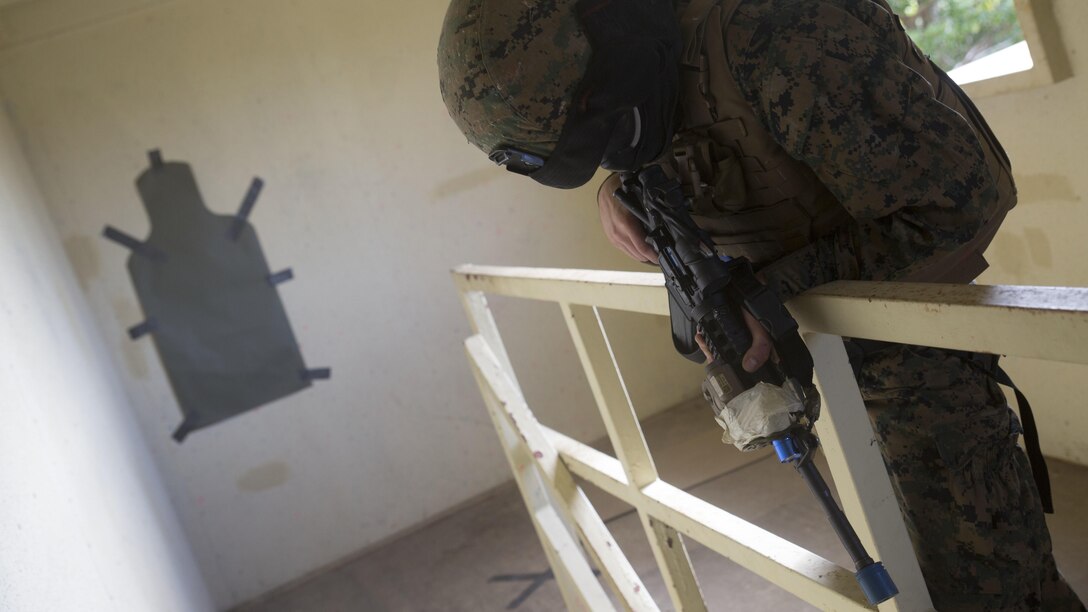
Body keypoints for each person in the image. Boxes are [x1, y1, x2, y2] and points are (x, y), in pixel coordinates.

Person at [436, 0, 1085, 608]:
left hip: (920, 365)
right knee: (915, 578)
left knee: (993, 589)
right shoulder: (650, 62)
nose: (615, 144)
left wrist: (772, 293)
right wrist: (622, 184)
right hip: (832, 356)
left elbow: (961, 202)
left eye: (608, 129)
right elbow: (675, 128)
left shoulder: (776, 33)